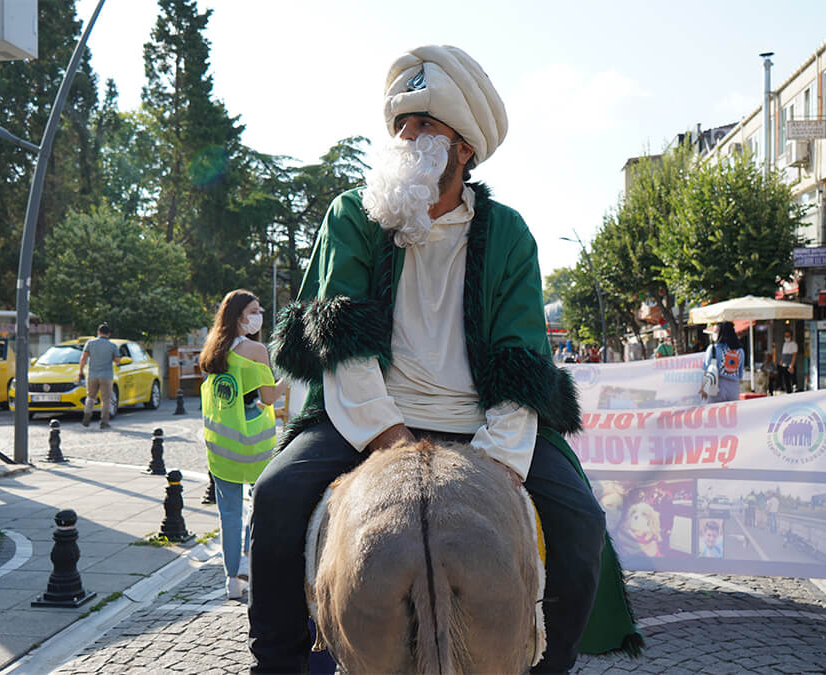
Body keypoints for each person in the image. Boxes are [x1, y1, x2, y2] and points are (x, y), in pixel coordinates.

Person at [249, 45, 639, 673]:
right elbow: (340, 341)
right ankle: (279, 663)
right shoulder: (352, 215)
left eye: (424, 124)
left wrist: (498, 459)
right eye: (400, 123)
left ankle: (550, 663)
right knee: (275, 494)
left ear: (463, 149)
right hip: (366, 417)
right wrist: (387, 434)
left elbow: (520, 359)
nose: (406, 136)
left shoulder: (507, 233)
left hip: (483, 423)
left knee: (582, 523)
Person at [199, 290, 289, 600]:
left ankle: (231, 581)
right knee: (257, 506)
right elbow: (267, 397)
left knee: (228, 513)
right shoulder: (256, 350)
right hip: (253, 444)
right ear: (239, 316)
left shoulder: (213, 350)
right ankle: (248, 568)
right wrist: (290, 377)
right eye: (254, 310)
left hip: (220, 444)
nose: (259, 314)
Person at [78, 323, 120, 429]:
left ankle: (87, 416)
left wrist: (80, 372)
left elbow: (83, 358)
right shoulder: (112, 345)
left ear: (98, 332)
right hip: (106, 375)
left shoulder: (90, 343)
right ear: (109, 334)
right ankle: (104, 422)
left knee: (90, 397)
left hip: (92, 375)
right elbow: (117, 360)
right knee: (106, 399)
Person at [700, 321, 745, 403]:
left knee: (715, 413)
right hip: (734, 389)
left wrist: (703, 388)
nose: (713, 334)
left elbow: (706, 370)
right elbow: (740, 374)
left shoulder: (713, 349)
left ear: (720, 333)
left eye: (715, 332)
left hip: (716, 386)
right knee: (731, 414)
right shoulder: (740, 351)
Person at [779, 328, 799, 394]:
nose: (786, 338)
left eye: (788, 336)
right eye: (785, 336)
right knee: (786, 381)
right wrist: (781, 361)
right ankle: (788, 392)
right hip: (784, 365)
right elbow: (783, 354)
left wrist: (792, 365)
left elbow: (794, 355)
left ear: (791, 336)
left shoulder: (794, 344)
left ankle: (794, 392)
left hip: (790, 365)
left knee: (793, 380)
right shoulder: (784, 344)